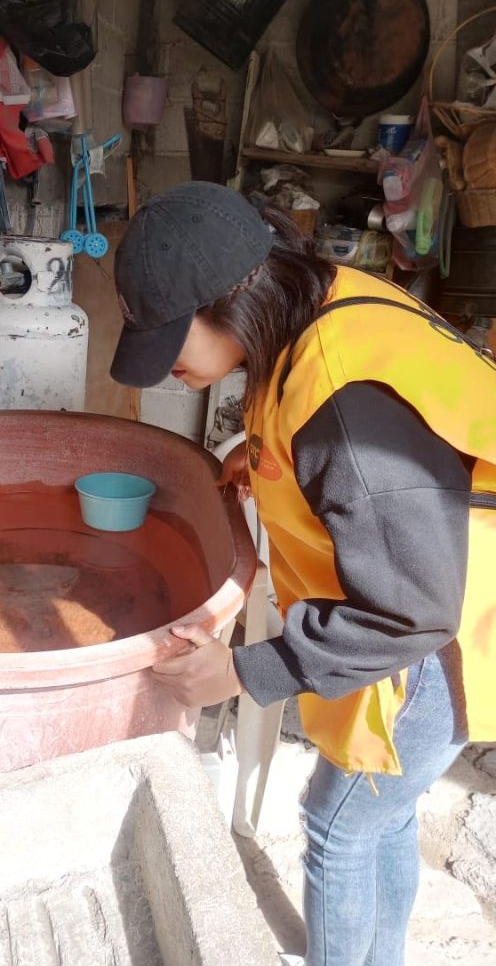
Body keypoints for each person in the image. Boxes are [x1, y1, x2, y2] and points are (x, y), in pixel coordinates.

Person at [109, 181, 496, 966]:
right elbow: (360, 469)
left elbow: (411, 611)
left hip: (438, 642)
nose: (170, 368)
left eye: (173, 338)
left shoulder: (344, 406)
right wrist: (258, 458)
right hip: (446, 586)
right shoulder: (321, 301)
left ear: (229, 303)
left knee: (337, 825)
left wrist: (243, 670)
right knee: (383, 815)